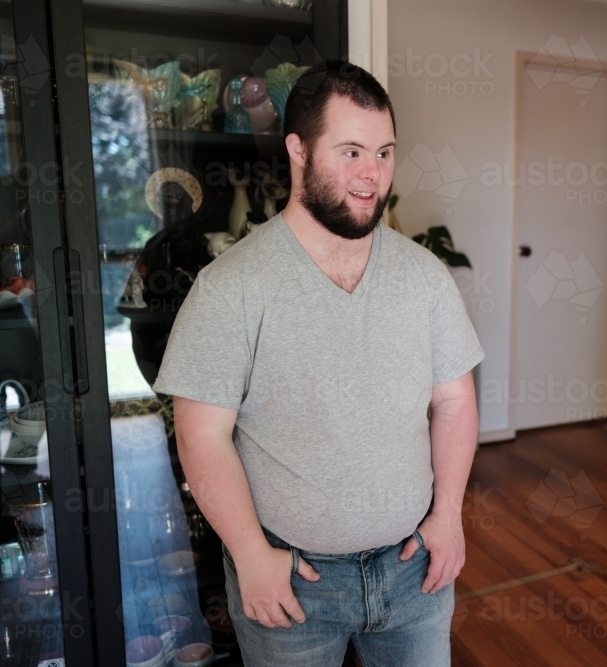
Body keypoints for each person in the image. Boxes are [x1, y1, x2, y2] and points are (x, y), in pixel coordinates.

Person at [151, 59, 484, 666]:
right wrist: (250, 555)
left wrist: (449, 517)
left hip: (416, 572)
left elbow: (455, 400)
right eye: (351, 151)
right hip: (291, 583)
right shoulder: (230, 287)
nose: (372, 176)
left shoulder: (425, 278)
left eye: (384, 153)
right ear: (298, 149)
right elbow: (203, 435)